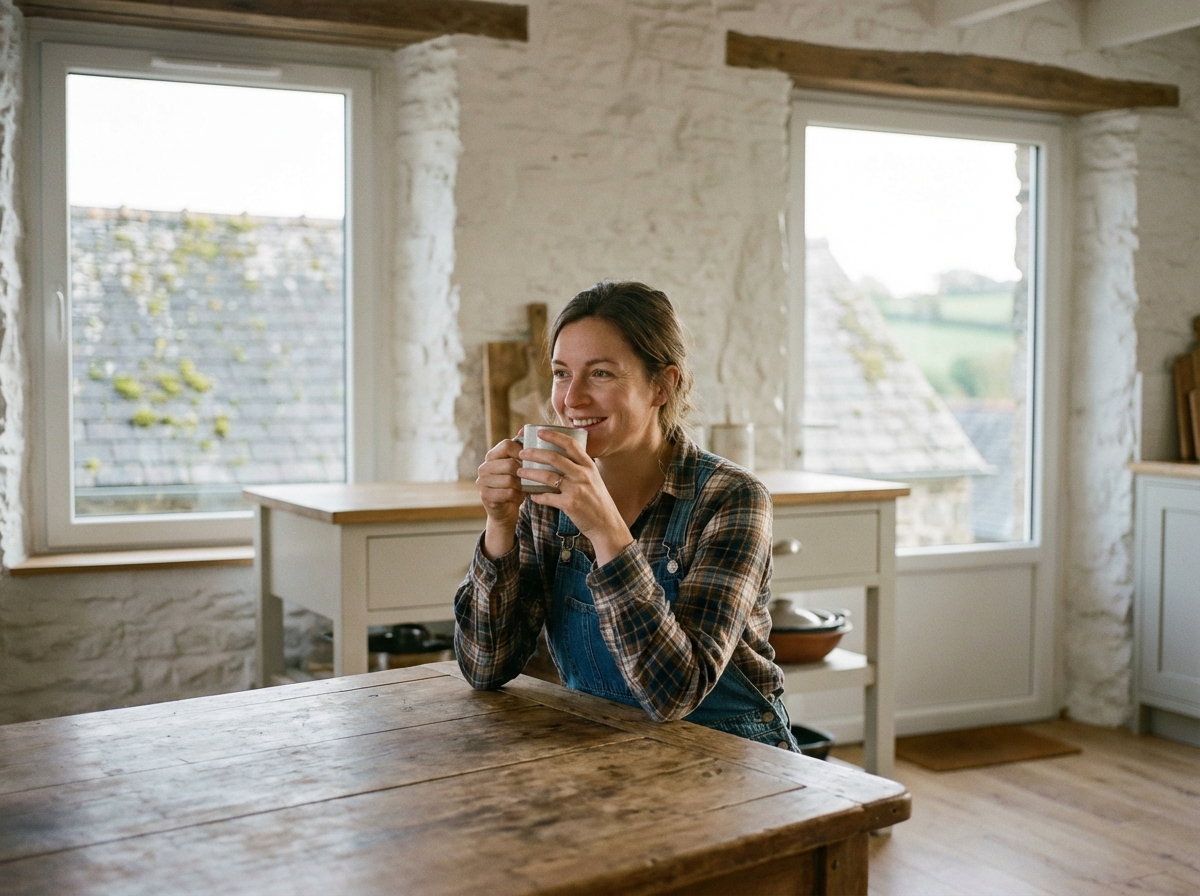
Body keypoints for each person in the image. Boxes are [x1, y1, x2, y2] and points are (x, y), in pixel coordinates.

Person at [454, 280, 801, 751]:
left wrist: (605, 530)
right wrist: (499, 525)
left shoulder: (731, 498)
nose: (571, 399)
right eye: (561, 373)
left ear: (662, 385)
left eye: (600, 374)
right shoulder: (547, 497)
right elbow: (483, 667)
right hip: (607, 748)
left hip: (735, 755)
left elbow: (675, 694)